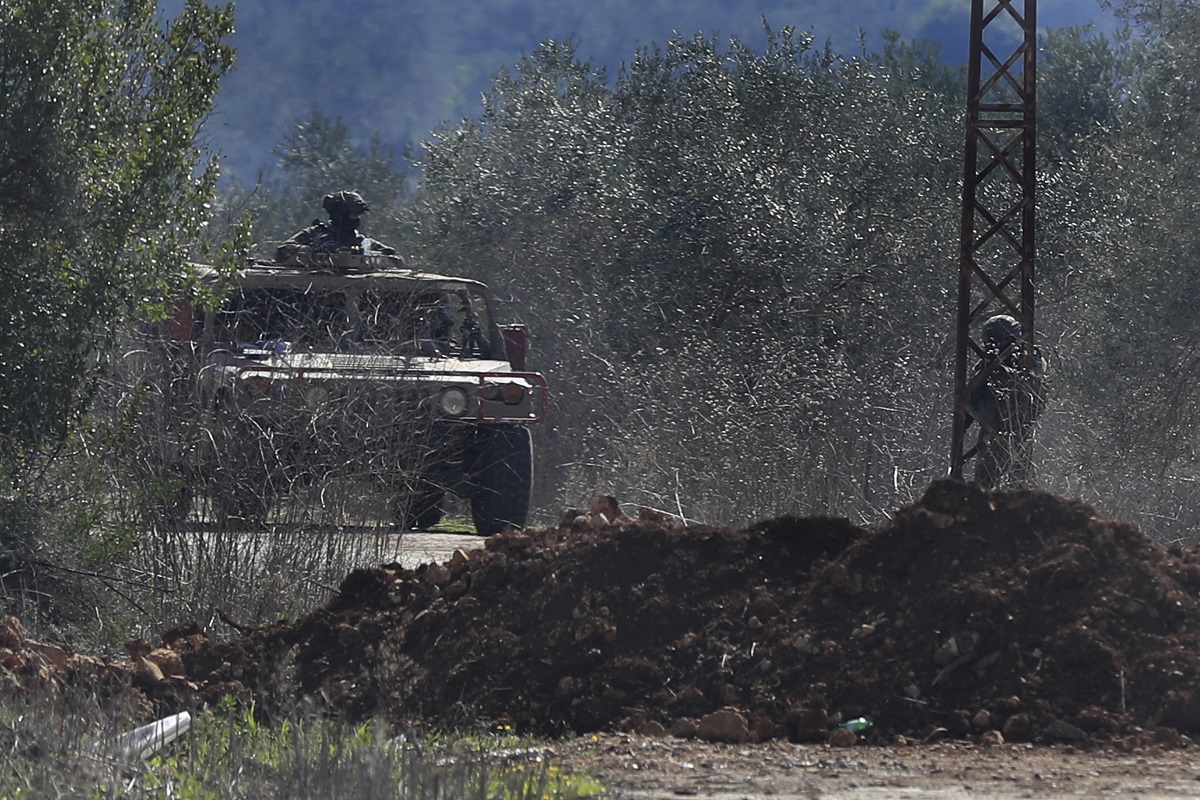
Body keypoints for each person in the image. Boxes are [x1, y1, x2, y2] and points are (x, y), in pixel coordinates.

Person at [966, 313, 1044, 488]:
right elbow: (969, 398)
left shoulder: (1029, 360)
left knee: (1019, 485)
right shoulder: (985, 365)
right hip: (991, 430)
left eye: (1000, 341)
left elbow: (1030, 389)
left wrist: (1000, 369)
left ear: (1012, 339)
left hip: (1018, 431)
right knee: (983, 484)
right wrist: (986, 370)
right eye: (991, 343)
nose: (997, 346)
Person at [275, 190, 395, 261]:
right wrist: (311, 250)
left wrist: (366, 254)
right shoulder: (314, 234)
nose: (356, 219)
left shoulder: (362, 241)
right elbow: (282, 250)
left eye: (357, 215)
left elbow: (394, 258)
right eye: (352, 215)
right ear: (339, 214)